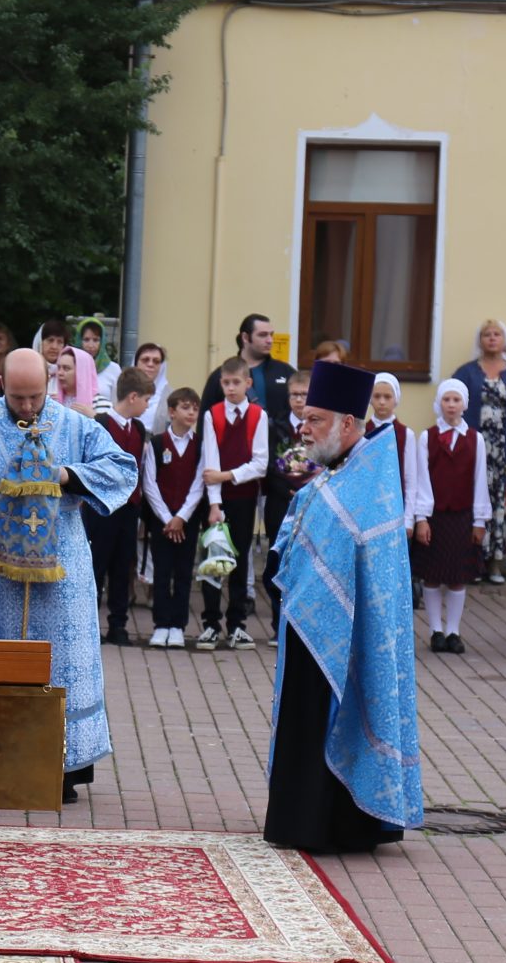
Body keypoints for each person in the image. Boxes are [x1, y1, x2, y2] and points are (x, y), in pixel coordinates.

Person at [0, 348, 140, 800]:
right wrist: (1, 499)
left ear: (49, 385)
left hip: (61, 578)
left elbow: (122, 469)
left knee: (58, 665)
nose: (27, 406)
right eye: (18, 397)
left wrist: (67, 475)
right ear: (1, 383)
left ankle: (59, 768)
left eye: (36, 397)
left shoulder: (76, 426)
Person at [263, 360, 421, 854]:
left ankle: (333, 824)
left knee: (332, 712)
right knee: (306, 718)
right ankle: (302, 817)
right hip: (308, 627)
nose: (303, 428)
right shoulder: (335, 477)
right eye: (304, 418)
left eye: (315, 420)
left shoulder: (367, 482)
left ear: (348, 424)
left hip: (347, 633)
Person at [449, 320, 506, 584]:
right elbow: (450, 404)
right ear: (480, 340)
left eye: (497, 334)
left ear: (505, 339)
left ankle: (496, 564)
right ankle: (472, 563)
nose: (492, 339)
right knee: (473, 503)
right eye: (487, 334)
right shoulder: (466, 372)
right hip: (474, 451)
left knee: (501, 505)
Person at [408, 379, 487, 653]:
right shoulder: (426, 437)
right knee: (432, 575)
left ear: (464, 404)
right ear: (439, 404)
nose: (451, 405)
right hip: (435, 515)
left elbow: (480, 479)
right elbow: (421, 478)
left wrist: (479, 520)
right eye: (446, 400)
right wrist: (421, 517)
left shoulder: (476, 439)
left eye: (456, 400)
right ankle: (435, 630)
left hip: (463, 516)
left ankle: (453, 630)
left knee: (456, 576)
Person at [196, 357, 270, 650]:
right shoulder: (212, 415)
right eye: (225, 383)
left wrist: (227, 475)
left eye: (236, 382)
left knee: (240, 560)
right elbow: (210, 461)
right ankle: (210, 624)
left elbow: (260, 463)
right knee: (214, 559)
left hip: (244, 498)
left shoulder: (257, 416)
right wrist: (214, 503)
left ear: (247, 383)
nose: (230, 388)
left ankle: (237, 624)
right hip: (217, 499)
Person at [90, 367, 154, 645]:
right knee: (97, 566)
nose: (148, 405)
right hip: (103, 509)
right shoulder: (101, 424)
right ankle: (90, 625)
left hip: (129, 509)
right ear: (132, 397)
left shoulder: (139, 429)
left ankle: (118, 624)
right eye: (146, 400)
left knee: (122, 566)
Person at [143, 386, 206, 649]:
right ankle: (161, 624)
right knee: (162, 571)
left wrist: (182, 516)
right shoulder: (156, 444)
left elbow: (199, 484)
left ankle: (178, 625)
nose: (191, 412)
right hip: (162, 522)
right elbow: (150, 483)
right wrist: (168, 518)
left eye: (194, 408)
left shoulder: (201, 444)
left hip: (187, 521)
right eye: (185, 407)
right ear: (171, 412)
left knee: (183, 572)